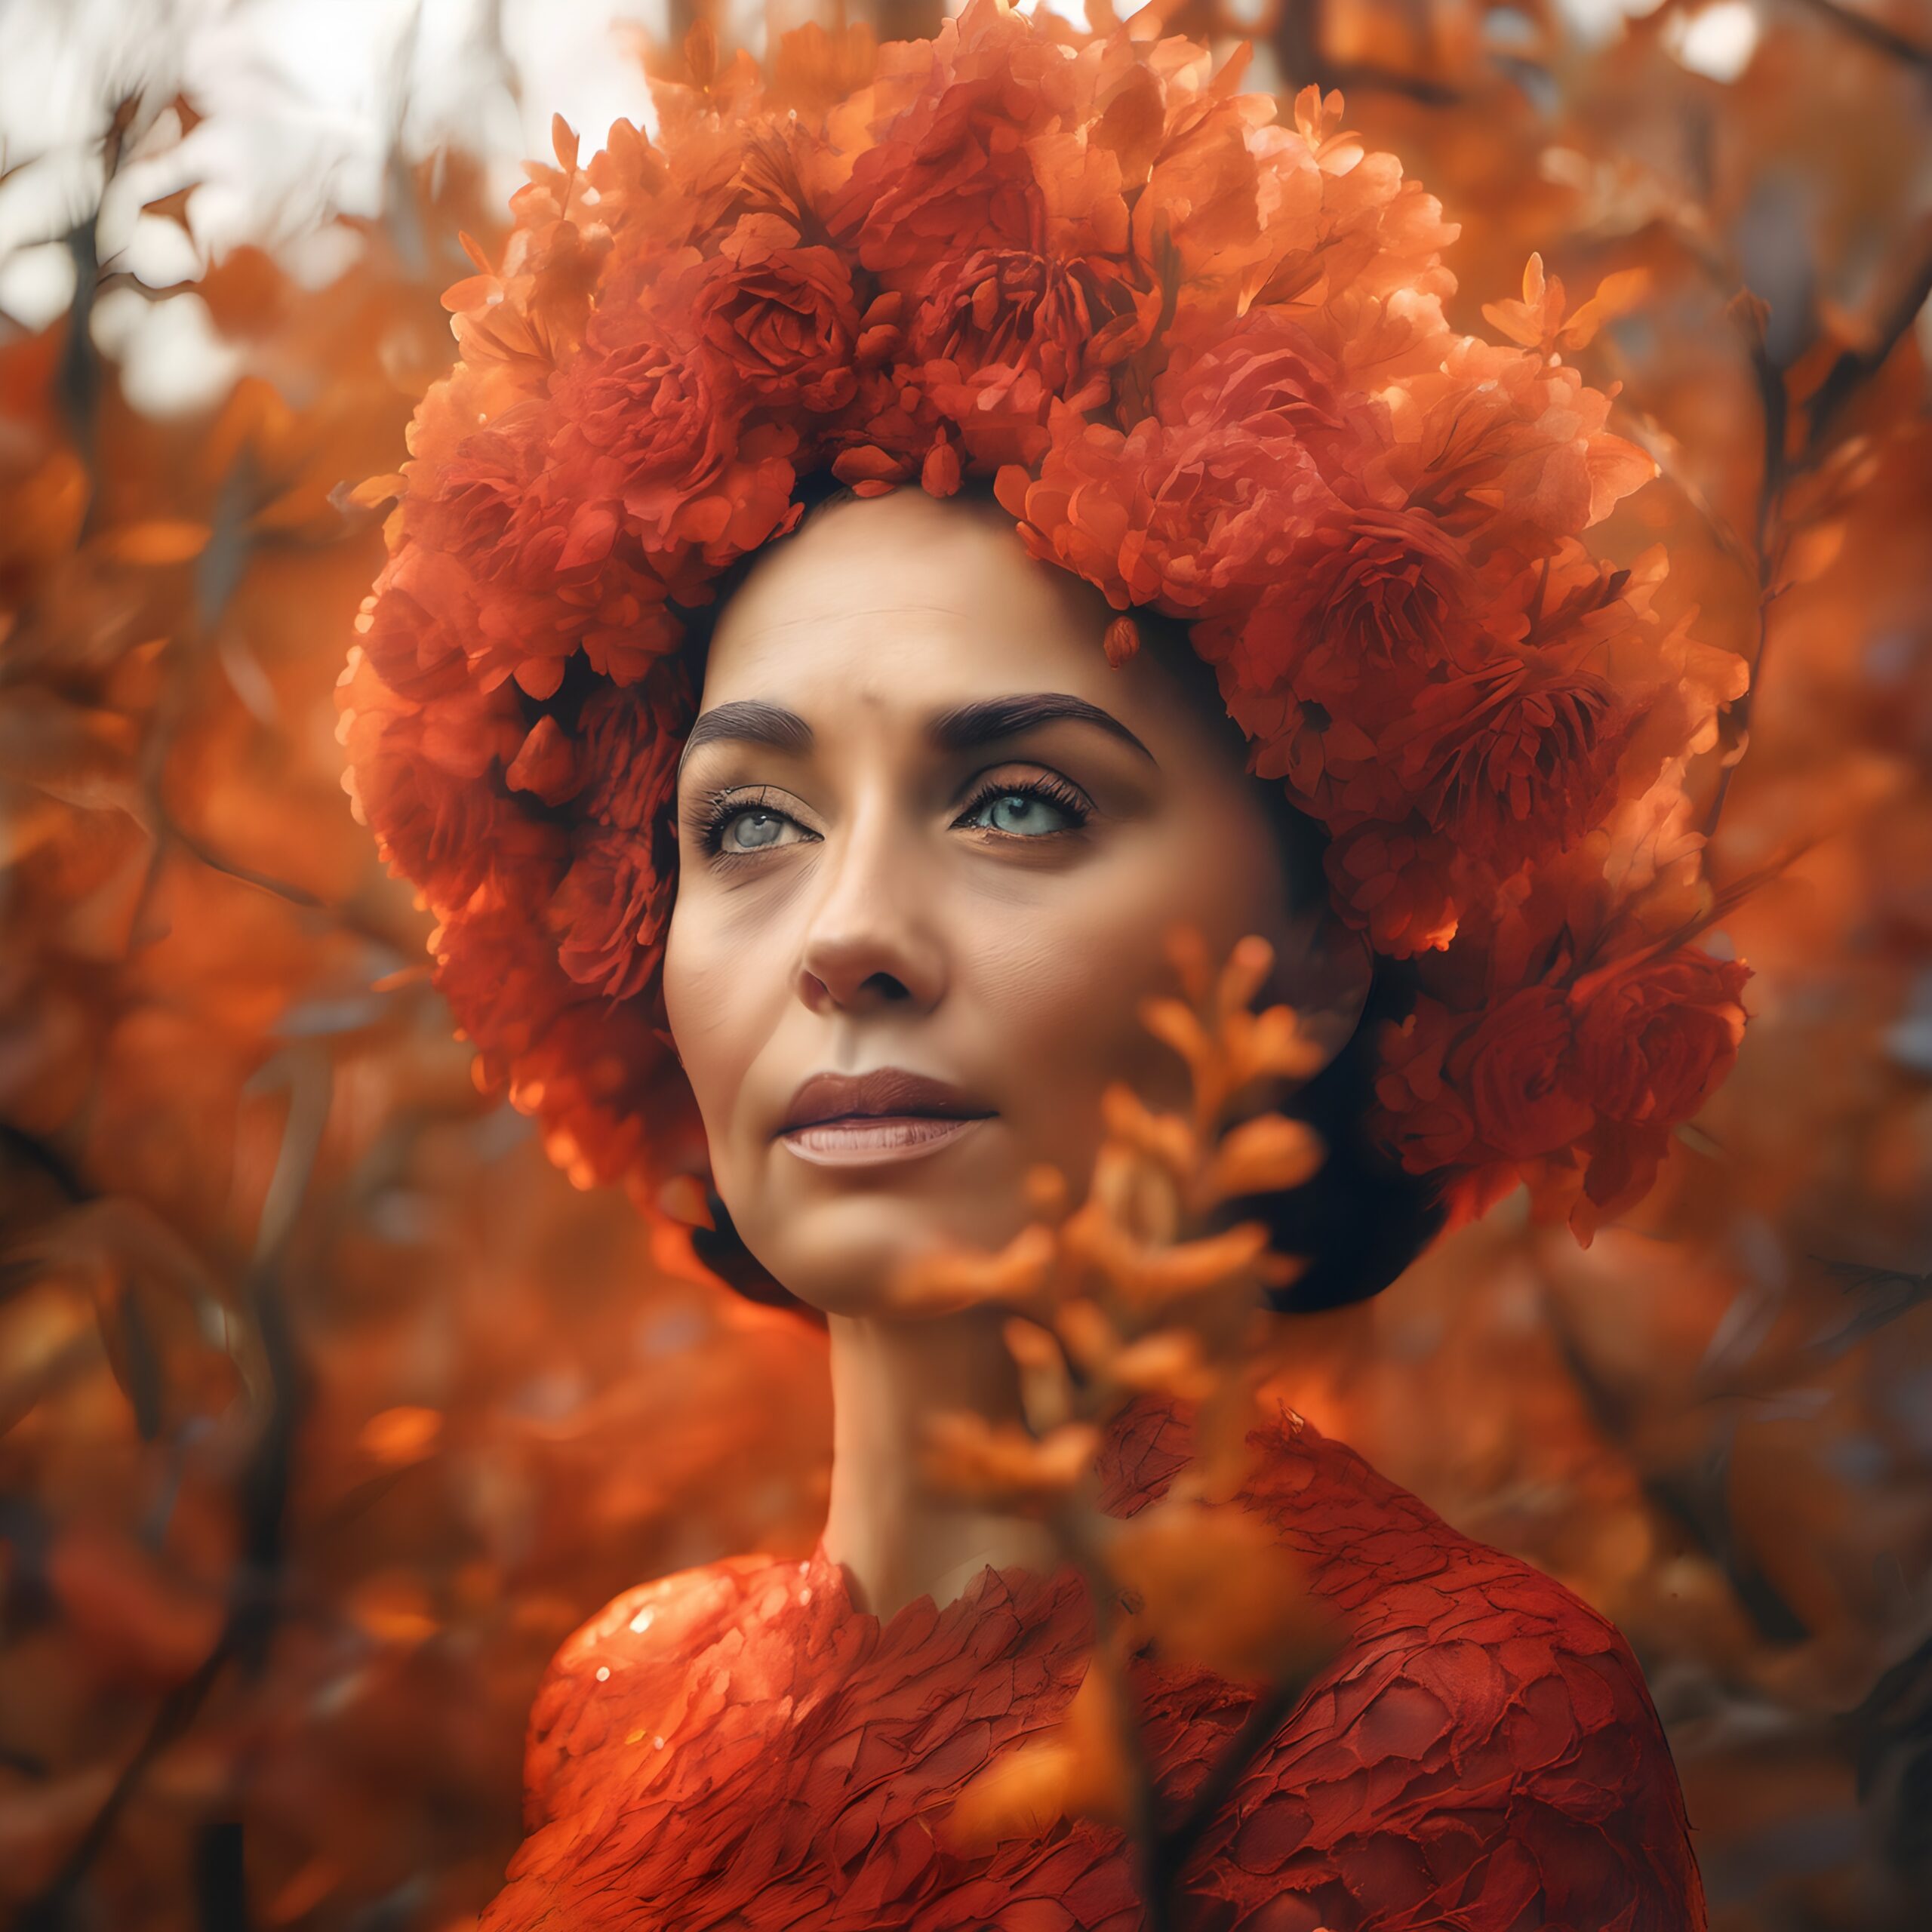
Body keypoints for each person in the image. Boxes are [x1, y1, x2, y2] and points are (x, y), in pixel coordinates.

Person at [339, 5, 1749, 1922]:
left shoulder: (1454, 1731)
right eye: (748, 822)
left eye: (1013, 803)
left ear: (1330, 938)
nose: (844, 935)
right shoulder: (625, 1685)